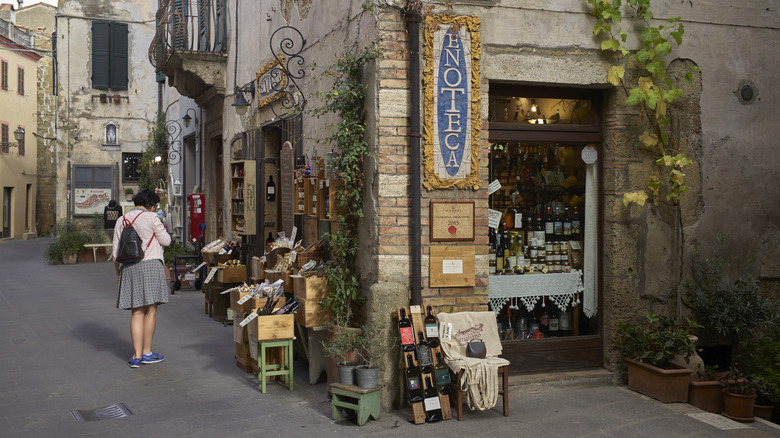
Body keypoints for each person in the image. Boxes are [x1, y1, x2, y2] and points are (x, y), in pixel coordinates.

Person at [112, 189, 171, 368]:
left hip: (129, 268)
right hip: (151, 265)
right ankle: (147, 352)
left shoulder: (122, 220)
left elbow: (115, 253)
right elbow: (166, 241)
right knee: (150, 310)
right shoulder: (152, 217)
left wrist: (117, 273)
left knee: (136, 312)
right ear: (151, 205)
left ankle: (136, 356)